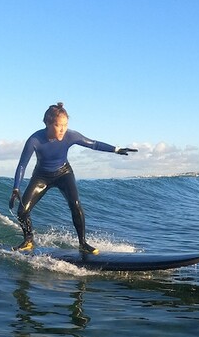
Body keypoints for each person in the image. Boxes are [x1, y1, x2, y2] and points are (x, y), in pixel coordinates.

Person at [9, 102, 135, 254]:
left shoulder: (71, 136)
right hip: (41, 176)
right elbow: (22, 165)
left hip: (63, 173)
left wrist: (116, 149)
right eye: (58, 125)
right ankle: (28, 240)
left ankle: (82, 243)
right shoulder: (34, 140)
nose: (62, 129)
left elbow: (93, 144)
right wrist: (16, 187)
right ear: (47, 123)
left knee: (75, 204)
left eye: (65, 125)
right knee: (22, 211)